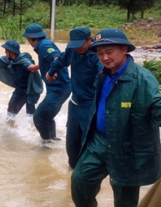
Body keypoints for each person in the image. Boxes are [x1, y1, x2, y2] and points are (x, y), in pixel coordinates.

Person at [71, 28, 161, 207]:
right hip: (98, 141)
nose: (104, 58)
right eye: (100, 53)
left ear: (124, 49)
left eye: (109, 52)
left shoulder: (144, 80)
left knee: (125, 200)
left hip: (128, 149)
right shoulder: (103, 75)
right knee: (79, 181)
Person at [46, 27, 102, 169]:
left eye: (80, 44)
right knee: (72, 144)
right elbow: (61, 61)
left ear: (90, 40)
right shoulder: (72, 50)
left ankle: (87, 175)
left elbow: (106, 80)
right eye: (74, 44)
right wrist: (51, 72)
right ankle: (72, 173)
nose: (76, 48)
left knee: (89, 143)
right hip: (75, 104)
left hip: (91, 106)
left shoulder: (98, 56)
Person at [22, 24, 71, 143]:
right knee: (47, 116)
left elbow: (56, 58)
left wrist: (52, 71)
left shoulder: (44, 46)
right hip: (58, 88)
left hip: (59, 88)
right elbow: (50, 59)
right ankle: (53, 140)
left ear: (30, 38)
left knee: (39, 117)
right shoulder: (43, 45)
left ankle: (46, 144)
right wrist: (39, 67)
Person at [0, 40, 43, 123]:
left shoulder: (23, 61)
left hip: (32, 89)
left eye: (6, 50)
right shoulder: (9, 60)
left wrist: (41, 65)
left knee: (30, 110)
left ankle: (31, 131)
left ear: (12, 52)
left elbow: (31, 67)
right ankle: (10, 127)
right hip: (20, 89)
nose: (5, 52)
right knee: (11, 107)